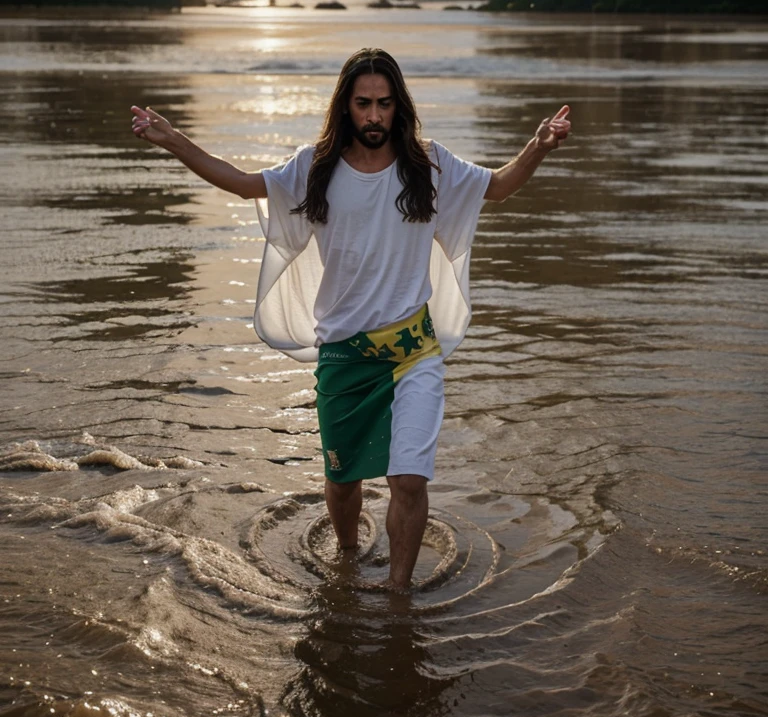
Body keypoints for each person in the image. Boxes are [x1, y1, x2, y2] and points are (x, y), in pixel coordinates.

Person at [131, 48, 570, 591]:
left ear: (398, 106)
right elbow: (243, 181)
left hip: (413, 350)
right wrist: (175, 141)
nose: (374, 116)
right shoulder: (315, 168)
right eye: (363, 104)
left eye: (384, 104)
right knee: (343, 482)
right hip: (343, 352)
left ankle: (398, 594)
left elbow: (499, 186)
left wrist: (538, 146)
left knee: (409, 478)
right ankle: (346, 560)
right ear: (346, 107)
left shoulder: (429, 165)